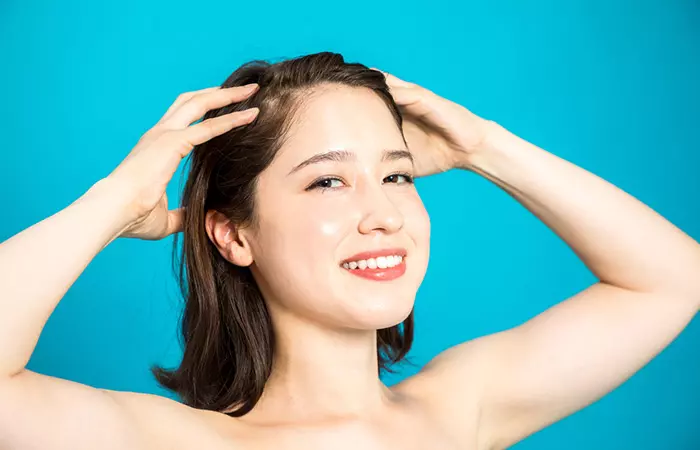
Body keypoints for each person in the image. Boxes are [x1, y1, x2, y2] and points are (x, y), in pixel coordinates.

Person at [0, 51, 698, 450]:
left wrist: (485, 147)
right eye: (328, 180)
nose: (383, 213)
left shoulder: (459, 411)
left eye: (396, 175)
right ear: (234, 234)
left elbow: (672, 279)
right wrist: (109, 205)